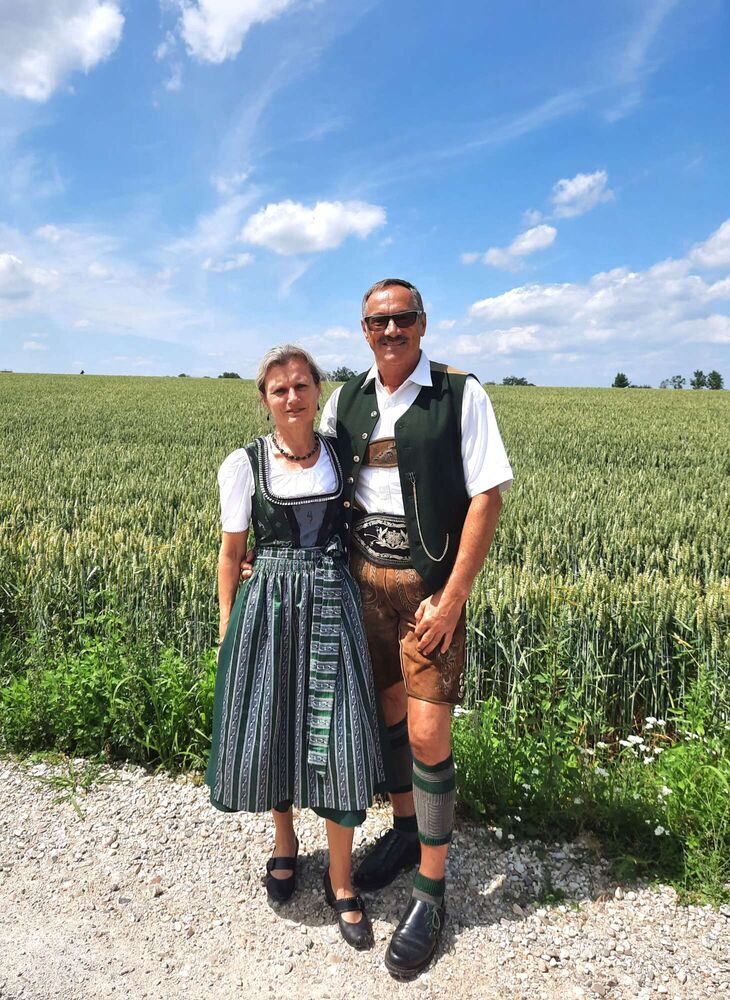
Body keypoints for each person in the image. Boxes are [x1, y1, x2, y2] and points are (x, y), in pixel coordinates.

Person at [320, 278, 513, 979]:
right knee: (387, 713)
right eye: (378, 321)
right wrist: (260, 547)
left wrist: (454, 597)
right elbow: (314, 479)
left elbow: (488, 495)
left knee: (429, 733)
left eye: (403, 318)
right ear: (364, 330)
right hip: (363, 584)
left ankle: (431, 891)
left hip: (429, 596)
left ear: (423, 324)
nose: (391, 330)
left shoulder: (459, 394)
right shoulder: (346, 399)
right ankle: (405, 830)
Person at [205, 345, 385, 951]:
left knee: (340, 733)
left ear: (317, 391)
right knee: (278, 722)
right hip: (270, 611)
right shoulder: (245, 464)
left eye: (301, 385)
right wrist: (229, 626)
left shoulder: (340, 454)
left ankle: (341, 879)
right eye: (279, 389)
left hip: (332, 605)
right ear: (264, 398)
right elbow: (232, 553)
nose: (292, 397)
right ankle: (285, 844)